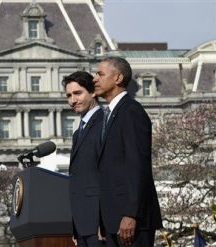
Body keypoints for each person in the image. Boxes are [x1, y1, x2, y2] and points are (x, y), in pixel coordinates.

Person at [93, 57, 162, 247]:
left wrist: (130, 214)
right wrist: (102, 219)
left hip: (132, 222)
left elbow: (137, 165)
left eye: (100, 74)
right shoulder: (109, 115)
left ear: (117, 78)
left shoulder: (132, 112)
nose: (94, 79)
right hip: (113, 221)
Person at [63, 71, 105, 247]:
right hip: (82, 227)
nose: (73, 100)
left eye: (78, 93)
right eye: (69, 95)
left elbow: (107, 174)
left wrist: (103, 221)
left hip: (100, 226)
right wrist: (76, 227)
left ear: (93, 92)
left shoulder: (105, 122)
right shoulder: (77, 133)